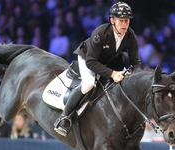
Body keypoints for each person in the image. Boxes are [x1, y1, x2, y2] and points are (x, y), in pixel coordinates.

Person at [54, 1, 141, 137]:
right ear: (112, 20)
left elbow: (136, 62)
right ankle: (65, 117)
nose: (124, 24)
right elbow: (91, 62)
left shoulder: (131, 35)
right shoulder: (100, 33)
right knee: (89, 84)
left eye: (127, 20)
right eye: (121, 20)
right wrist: (113, 74)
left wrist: (135, 76)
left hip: (109, 60)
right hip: (88, 58)